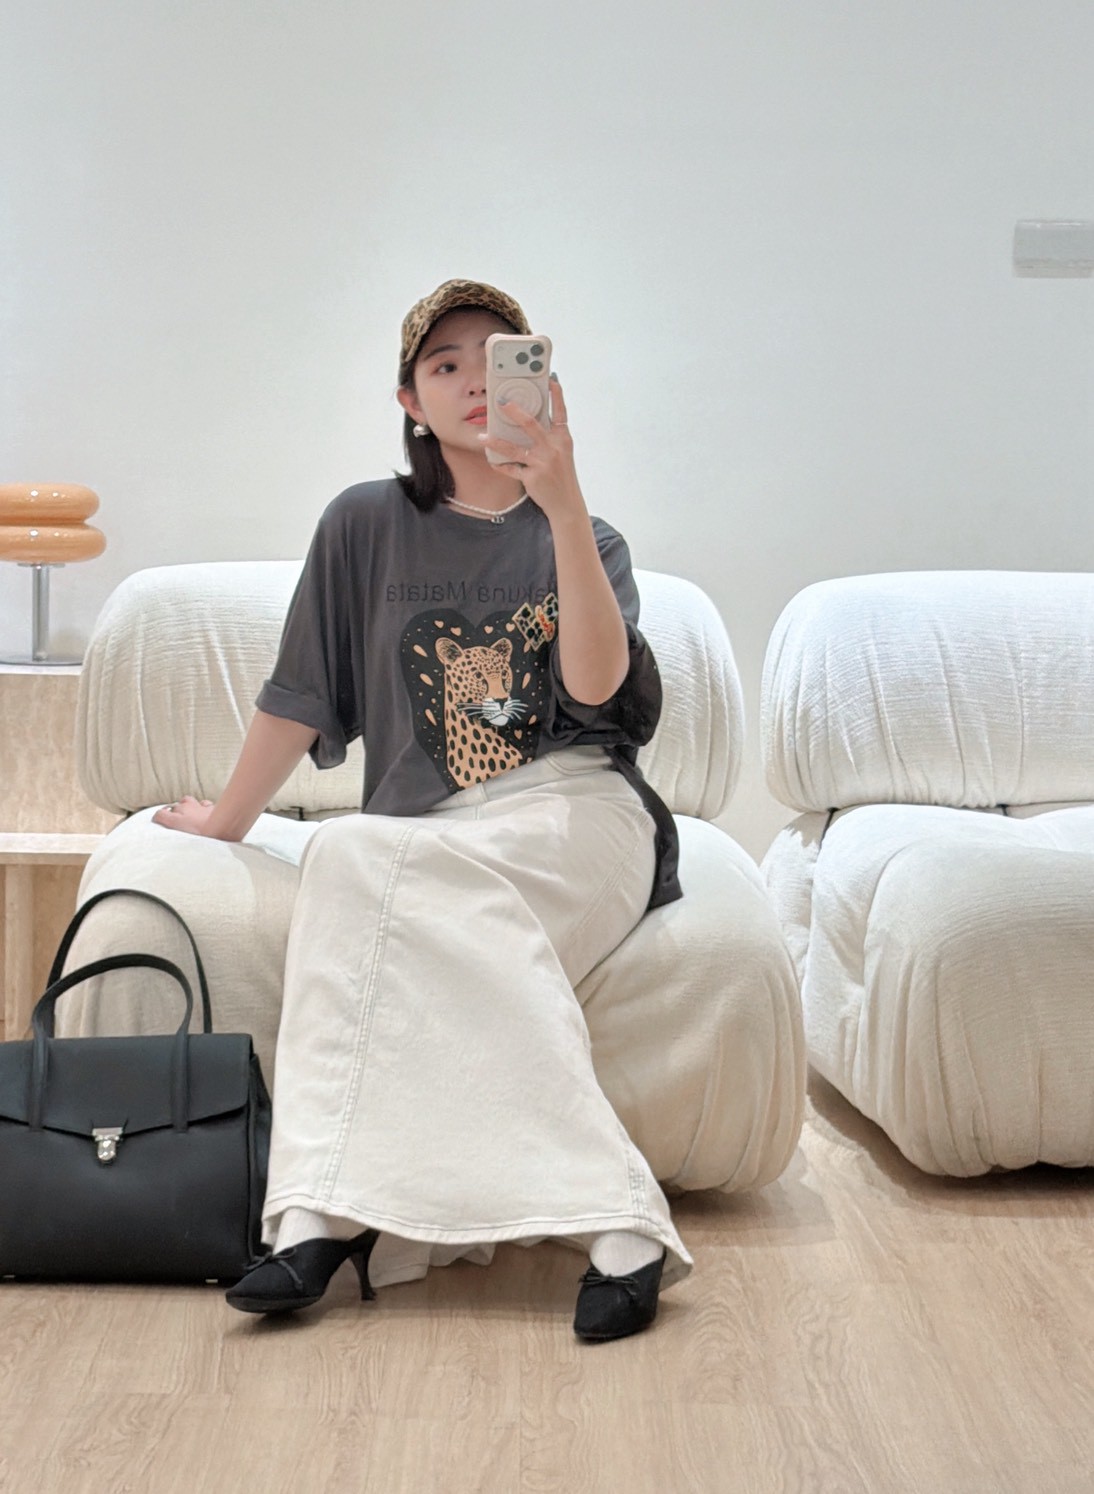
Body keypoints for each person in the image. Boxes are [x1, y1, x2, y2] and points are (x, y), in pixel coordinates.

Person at [153, 278, 692, 1342]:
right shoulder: (362, 524)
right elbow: (299, 693)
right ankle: (608, 1225)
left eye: (497, 359)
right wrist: (226, 822)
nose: (472, 380)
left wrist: (563, 502)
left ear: (538, 382)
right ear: (410, 401)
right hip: (428, 834)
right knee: (347, 851)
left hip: (575, 812)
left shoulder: (589, 536)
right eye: (445, 364)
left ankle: (319, 1221)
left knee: (359, 856)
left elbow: (594, 690)